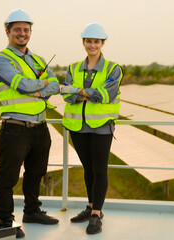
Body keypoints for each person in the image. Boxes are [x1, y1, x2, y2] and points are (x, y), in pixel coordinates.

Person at [0, 9, 60, 238]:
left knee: (35, 173)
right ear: (7, 31)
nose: (22, 33)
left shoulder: (37, 59)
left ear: (30, 32)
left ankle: (32, 211)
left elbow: (55, 84)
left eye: (26, 29)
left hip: (40, 128)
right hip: (15, 129)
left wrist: (41, 88)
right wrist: (39, 87)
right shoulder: (0, 60)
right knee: (8, 177)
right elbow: (22, 86)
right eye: (17, 29)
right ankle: (6, 221)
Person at [61, 22, 123, 234]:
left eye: (96, 41)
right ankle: (90, 206)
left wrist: (78, 91)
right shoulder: (73, 68)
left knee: (99, 169)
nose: (92, 45)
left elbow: (107, 94)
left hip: (101, 127)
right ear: (83, 42)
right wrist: (88, 92)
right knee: (88, 169)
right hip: (78, 127)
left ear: (102, 43)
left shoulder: (113, 69)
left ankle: (97, 214)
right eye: (89, 41)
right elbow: (66, 95)